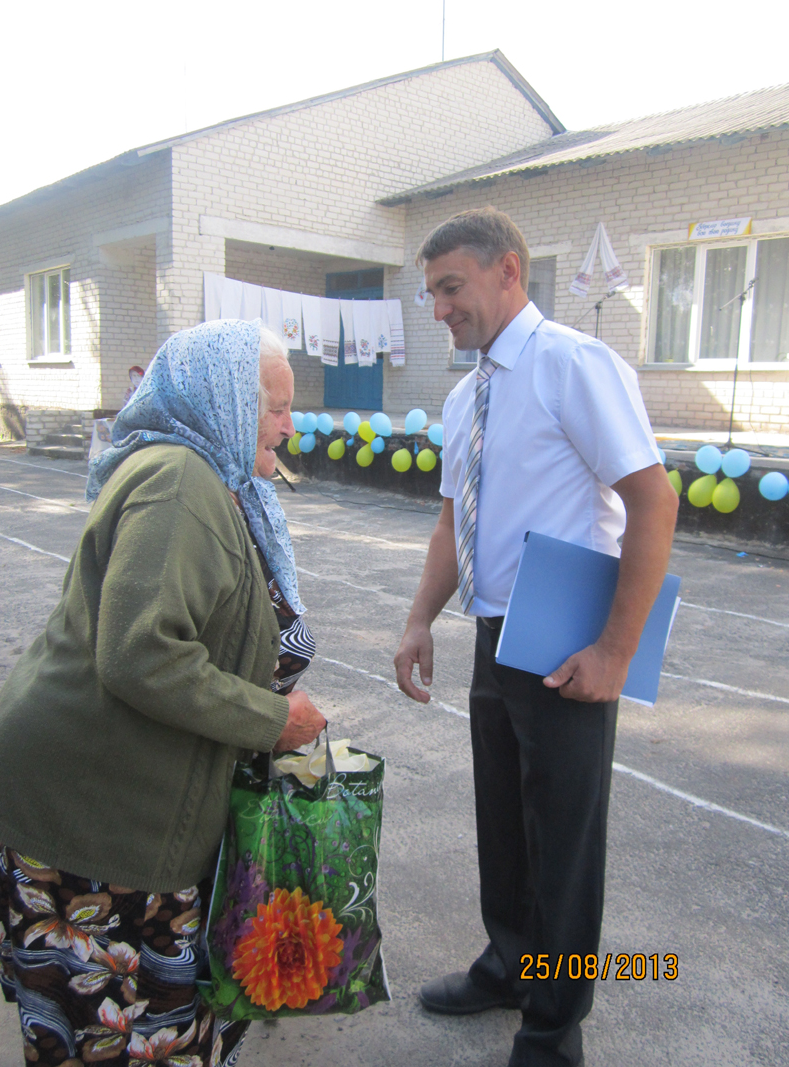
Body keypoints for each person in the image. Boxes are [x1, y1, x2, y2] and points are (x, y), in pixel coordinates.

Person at [0, 319, 327, 1067]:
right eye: (273, 405)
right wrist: (271, 719)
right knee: (124, 1039)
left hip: (119, 803)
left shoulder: (218, 481)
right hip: (96, 827)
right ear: (222, 400)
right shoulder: (179, 481)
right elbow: (140, 651)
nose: (289, 424)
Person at [394, 207, 678, 1067]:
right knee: (504, 824)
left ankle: (554, 1026)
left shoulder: (571, 364)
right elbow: (455, 518)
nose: (439, 307)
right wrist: (419, 616)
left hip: (563, 641)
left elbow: (652, 499)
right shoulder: (463, 391)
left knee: (562, 838)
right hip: (494, 632)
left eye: (451, 288)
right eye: (432, 292)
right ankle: (509, 961)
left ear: (507, 271)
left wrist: (617, 651)